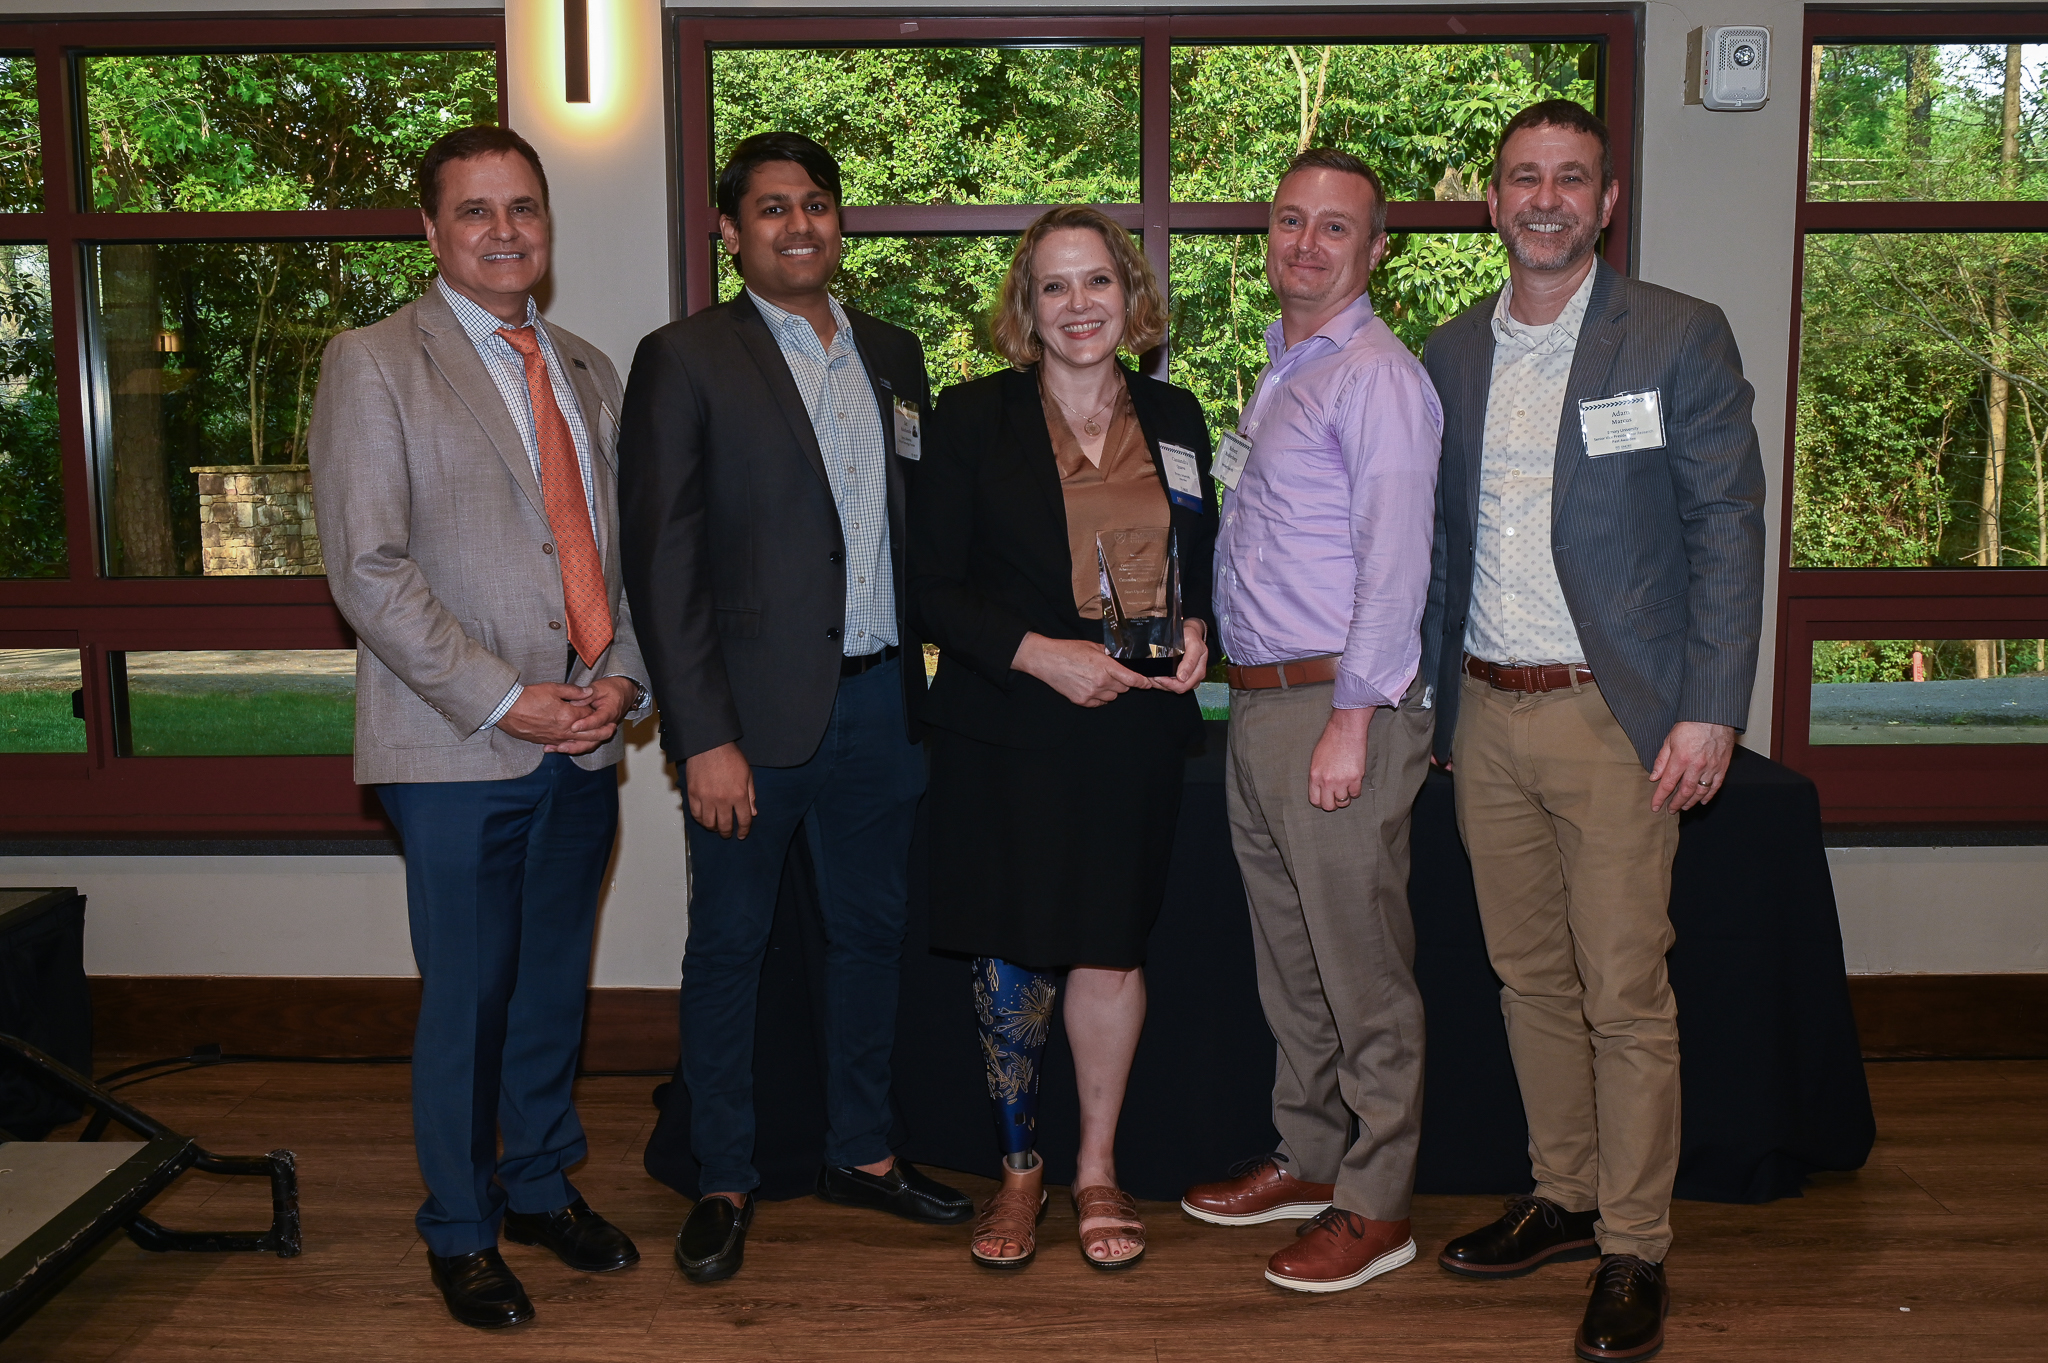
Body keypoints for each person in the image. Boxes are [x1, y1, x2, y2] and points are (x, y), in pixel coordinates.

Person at [1419, 100, 1766, 1363]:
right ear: (1491, 200)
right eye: (1523, 177)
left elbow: (1726, 525)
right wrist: (1429, 699)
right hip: (1483, 710)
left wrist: (1708, 708)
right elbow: (1441, 537)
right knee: (1525, 981)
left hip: (1615, 717)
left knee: (1624, 991)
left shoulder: (1675, 333)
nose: (1545, 198)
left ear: (1606, 202)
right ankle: (1561, 1195)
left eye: (1570, 178)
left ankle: (1633, 1246)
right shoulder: (1449, 349)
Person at [617, 131, 971, 1286]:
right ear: (730, 231)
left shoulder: (893, 351)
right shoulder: (683, 358)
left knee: (870, 940)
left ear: (838, 220)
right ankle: (722, 1176)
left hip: (880, 711)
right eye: (770, 208)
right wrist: (700, 734)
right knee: (731, 950)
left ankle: (860, 1151)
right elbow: (663, 564)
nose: (798, 224)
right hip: (748, 730)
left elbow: (910, 532)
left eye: (816, 203)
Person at [310, 125, 648, 1330]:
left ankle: (541, 1186)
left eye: (523, 208)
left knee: (554, 983)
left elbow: (619, 557)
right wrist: (508, 695)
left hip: (586, 734)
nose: (504, 230)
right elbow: (368, 567)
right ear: (430, 229)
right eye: (475, 211)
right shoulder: (372, 362)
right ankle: (458, 1227)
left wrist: (621, 683)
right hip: (455, 744)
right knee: (470, 991)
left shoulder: (589, 370)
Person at [909, 205, 1217, 1272]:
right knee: (1012, 944)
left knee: (1108, 940)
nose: (1078, 305)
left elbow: (1197, 563)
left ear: (1129, 296)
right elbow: (929, 587)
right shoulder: (969, 419)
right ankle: (1016, 1170)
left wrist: (1196, 627)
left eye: (1097, 283)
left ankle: (1093, 1167)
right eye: (1054, 286)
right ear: (1024, 307)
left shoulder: (1177, 417)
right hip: (1011, 725)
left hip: (1132, 732)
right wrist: (1041, 652)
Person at [1177, 148, 1442, 1294]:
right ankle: (1311, 1154)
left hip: (1341, 707)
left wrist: (1350, 718)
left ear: (1374, 249)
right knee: (1292, 965)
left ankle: (1375, 1203)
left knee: (1361, 969)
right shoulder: (1287, 368)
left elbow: (1395, 566)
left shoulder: (1374, 376)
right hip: (1259, 702)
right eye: (1290, 221)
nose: (1306, 244)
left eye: (1335, 228)